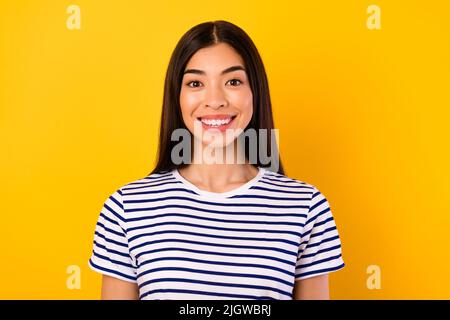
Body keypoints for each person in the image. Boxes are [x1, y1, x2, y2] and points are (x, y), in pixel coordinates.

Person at [88, 20, 345, 300]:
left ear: (255, 92)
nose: (214, 100)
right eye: (195, 83)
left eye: (233, 81)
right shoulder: (127, 208)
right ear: (177, 96)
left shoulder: (306, 206)